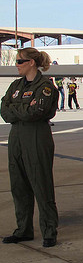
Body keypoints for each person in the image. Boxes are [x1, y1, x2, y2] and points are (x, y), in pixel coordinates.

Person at [1, 48, 59, 247]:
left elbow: (36, 113)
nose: (16, 65)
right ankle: (23, 229)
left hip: (36, 136)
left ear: (31, 63)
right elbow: (4, 111)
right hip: (16, 137)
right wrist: (22, 109)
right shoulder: (16, 85)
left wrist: (16, 109)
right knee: (19, 185)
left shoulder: (45, 87)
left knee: (41, 184)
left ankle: (49, 231)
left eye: (19, 61)